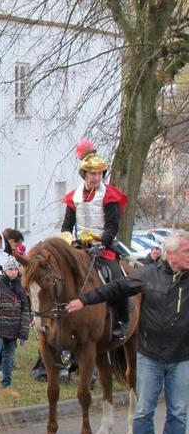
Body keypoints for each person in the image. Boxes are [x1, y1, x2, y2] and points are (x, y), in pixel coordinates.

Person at [65, 229, 189, 434]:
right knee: (144, 408)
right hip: (150, 356)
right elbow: (115, 288)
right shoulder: (148, 275)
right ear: (172, 254)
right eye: (186, 250)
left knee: (178, 410)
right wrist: (85, 300)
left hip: (182, 356)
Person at [62, 139, 130, 339]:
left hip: (104, 246)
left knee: (117, 277)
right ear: (84, 174)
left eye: (99, 173)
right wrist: (65, 243)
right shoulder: (73, 197)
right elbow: (67, 225)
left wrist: (101, 244)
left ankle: (122, 320)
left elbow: (112, 226)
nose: (96, 177)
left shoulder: (109, 195)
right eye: (92, 173)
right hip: (80, 247)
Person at [0, 257, 30, 397]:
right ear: (5, 270)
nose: (13, 272)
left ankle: (6, 385)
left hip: (14, 330)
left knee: (8, 359)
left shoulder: (21, 287)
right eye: (10, 269)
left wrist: (23, 333)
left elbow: (25, 310)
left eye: (15, 269)